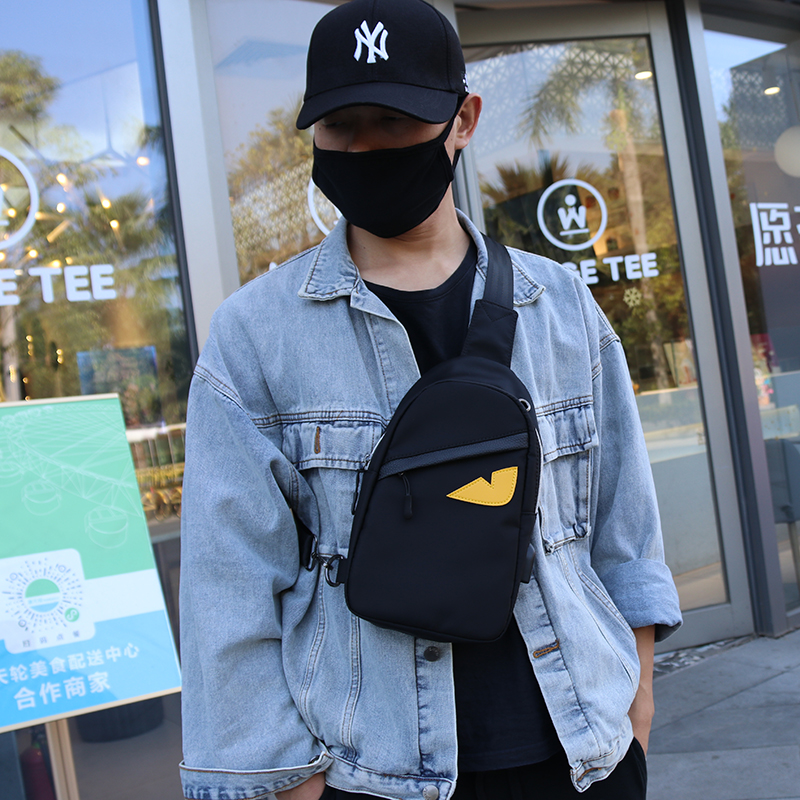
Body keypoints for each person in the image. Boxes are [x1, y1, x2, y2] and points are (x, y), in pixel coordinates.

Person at [178, 1, 682, 799]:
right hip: (371, 773)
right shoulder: (255, 335)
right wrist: (289, 784)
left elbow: (624, 528)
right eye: (341, 126)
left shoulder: (560, 305)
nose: (366, 148)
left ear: (463, 120)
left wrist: (638, 704)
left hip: (580, 752)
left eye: (394, 120)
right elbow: (228, 589)